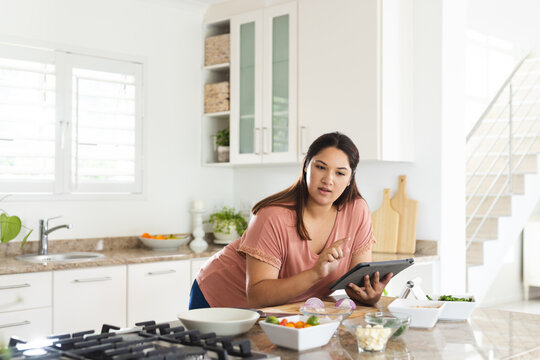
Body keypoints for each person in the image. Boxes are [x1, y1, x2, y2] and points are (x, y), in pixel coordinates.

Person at [189, 132, 392, 309]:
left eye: (340, 173)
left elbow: (357, 283)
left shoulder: (357, 211)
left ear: (350, 179)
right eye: (321, 167)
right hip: (219, 299)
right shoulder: (271, 216)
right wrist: (316, 273)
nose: (328, 180)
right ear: (306, 166)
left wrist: (370, 295)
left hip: (285, 309)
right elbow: (257, 296)